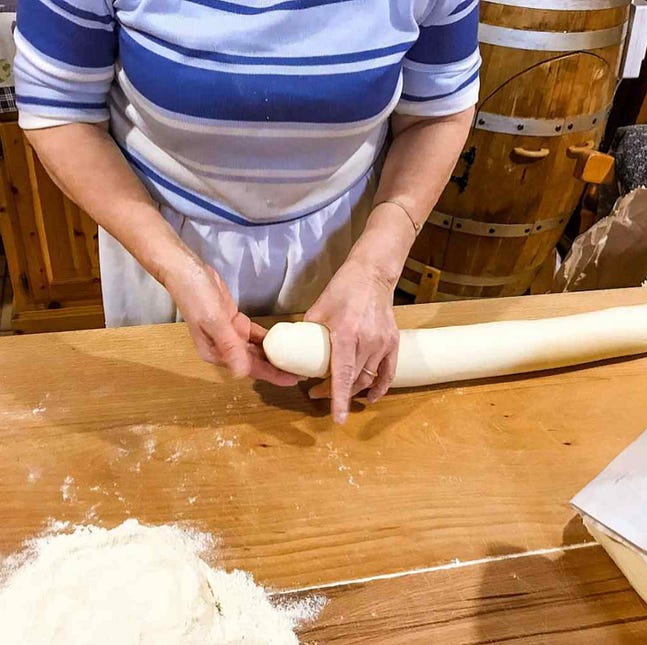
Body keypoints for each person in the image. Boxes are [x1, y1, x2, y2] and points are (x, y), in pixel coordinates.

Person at [14, 0, 480, 423]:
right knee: (168, 426)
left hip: (348, 247)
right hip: (161, 237)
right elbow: (60, 108)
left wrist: (376, 269)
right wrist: (176, 268)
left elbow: (437, 112)